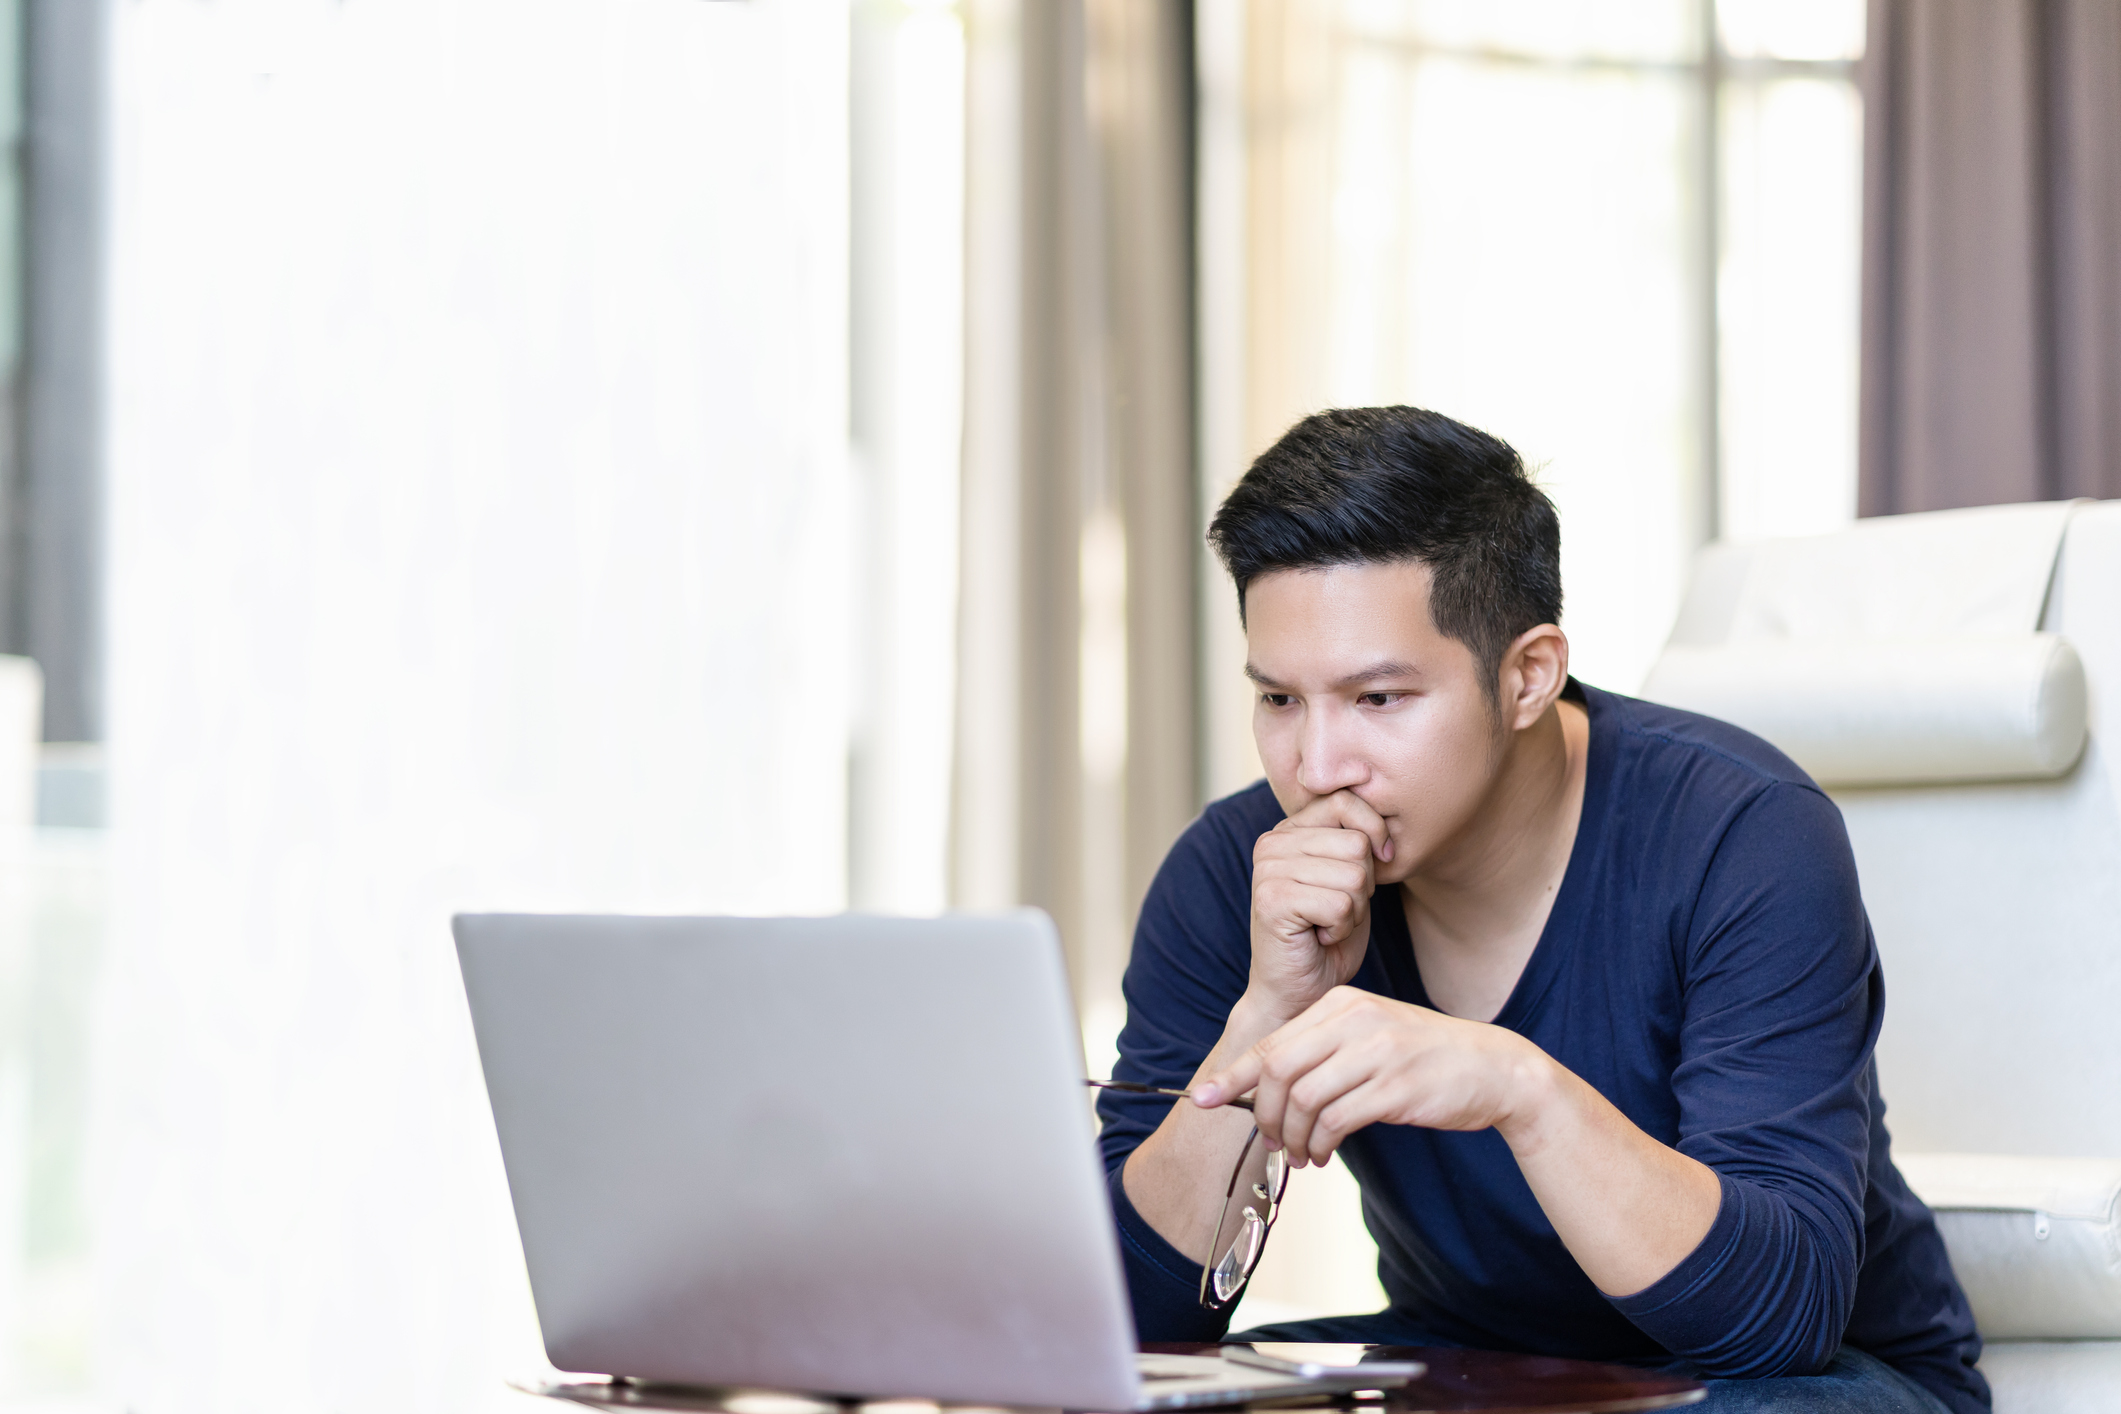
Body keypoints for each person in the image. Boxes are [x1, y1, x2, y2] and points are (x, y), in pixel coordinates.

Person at [1095, 407, 1986, 1414]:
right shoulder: (1236, 873)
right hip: (1480, 1364)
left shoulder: (1744, 836)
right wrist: (1264, 1014)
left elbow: (1776, 1320)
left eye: (1378, 700)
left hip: (1797, 1381)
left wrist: (1516, 1087)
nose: (1317, 767)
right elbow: (1121, 1327)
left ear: (1527, 676)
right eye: (1280, 701)